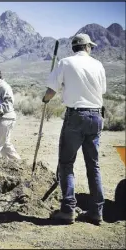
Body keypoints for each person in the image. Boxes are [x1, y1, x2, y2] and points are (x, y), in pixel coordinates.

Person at [42, 33, 106, 225]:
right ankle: (97, 211)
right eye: (91, 47)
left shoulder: (65, 62)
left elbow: (51, 90)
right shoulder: (98, 65)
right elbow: (102, 91)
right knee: (93, 165)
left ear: (74, 47)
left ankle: (68, 210)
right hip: (96, 115)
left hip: (76, 117)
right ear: (87, 47)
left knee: (66, 163)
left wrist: (45, 99)